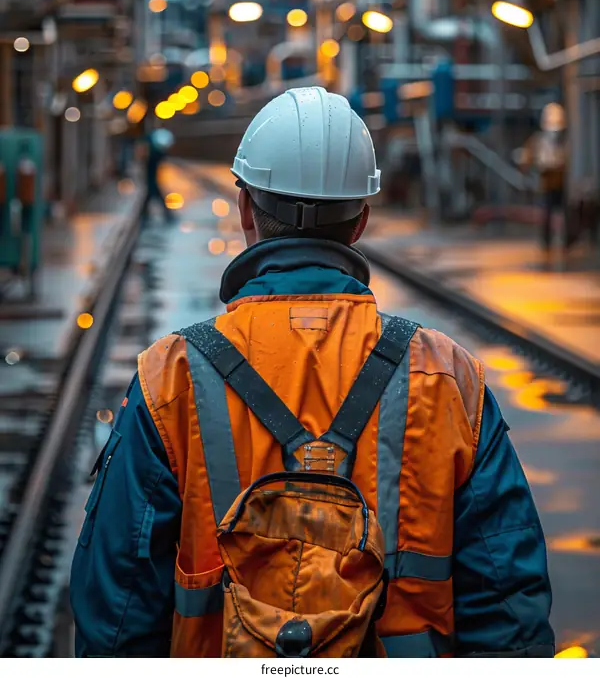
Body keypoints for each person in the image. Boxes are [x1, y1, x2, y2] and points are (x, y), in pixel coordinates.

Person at [70, 86, 554, 658]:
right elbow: (508, 607)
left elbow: (118, 607)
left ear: (246, 209)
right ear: (361, 221)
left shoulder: (171, 377)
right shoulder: (448, 377)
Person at [515, 103, 569, 252]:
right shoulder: (538, 140)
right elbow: (527, 156)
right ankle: (547, 242)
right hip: (546, 181)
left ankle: (566, 241)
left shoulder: (567, 139)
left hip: (563, 180)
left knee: (565, 213)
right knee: (547, 213)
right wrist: (525, 165)